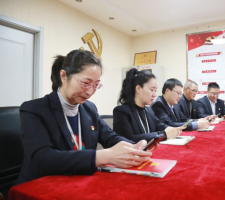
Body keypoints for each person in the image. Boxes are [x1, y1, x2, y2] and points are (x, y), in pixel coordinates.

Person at [14, 50, 152, 186]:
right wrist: (103, 156)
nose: (90, 91)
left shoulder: (89, 108)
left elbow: (110, 137)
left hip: (78, 180)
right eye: (86, 83)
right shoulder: (34, 109)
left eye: (96, 85)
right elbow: (41, 159)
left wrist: (133, 146)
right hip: (41, 184)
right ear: (63, 75)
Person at [113, 69, 183, 143]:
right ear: (138, 89)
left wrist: (172, 130)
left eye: (155, 91)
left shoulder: (149, 110)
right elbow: (129, 138)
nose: (154, 95)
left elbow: (161, 126)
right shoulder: (121, 111)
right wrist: (163, 134)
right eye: (152, 90)